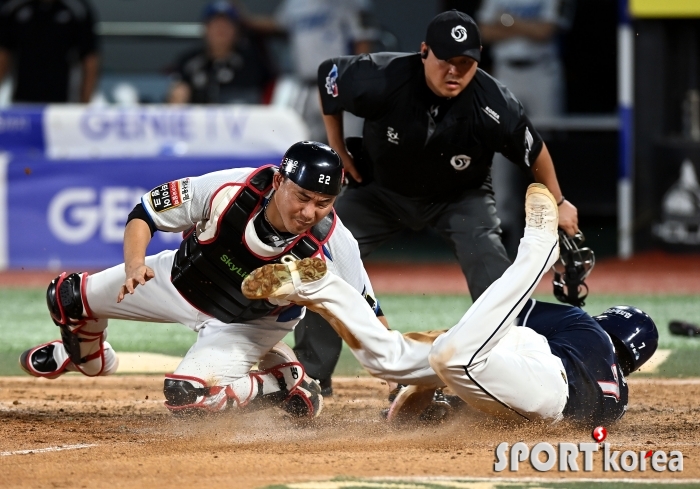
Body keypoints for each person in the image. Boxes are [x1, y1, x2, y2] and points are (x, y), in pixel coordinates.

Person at [300, 9, 579, 395]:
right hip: (380, 192)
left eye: (465, 63)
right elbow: (328, 77)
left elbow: (535, 152)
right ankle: (312, 376)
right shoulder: (382, 76)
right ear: (424, 51)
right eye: (446, 60)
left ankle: (511, 371)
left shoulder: (493, 101)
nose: (455, 71)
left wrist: (561, 202)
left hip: (458, 198)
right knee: (321, 256)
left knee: (498, 276)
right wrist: (336, 147)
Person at [19, 141, 384, 418]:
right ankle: (89, 357)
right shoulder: (230, 189)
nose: (309, 212)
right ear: (278, 180)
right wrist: (134, 265)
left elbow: (370, 314)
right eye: (302, 197)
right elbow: (145, 212)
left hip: (247, 323)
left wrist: (402, 380)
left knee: (189, 398)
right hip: (178, 281)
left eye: (323, 202)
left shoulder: (336, 243)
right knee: (66, 295)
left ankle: (282, 384)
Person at [243, 184, 659, 426]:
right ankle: (324, 288)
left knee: (420, 356)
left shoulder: (584, 328)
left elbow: (509, 311)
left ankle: (540, 249)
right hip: (540, 398)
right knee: (424, 359)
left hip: (534, 369)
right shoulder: (616, 401)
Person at [477, 0, 573, 255]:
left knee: (547, 149)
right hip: (506, 72)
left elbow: (546, 31)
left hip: (542, 72)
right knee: (500, 149)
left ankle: (556, 226)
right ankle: (504, 228)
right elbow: (484, 31)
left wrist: (508, 21)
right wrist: (527, 26)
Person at [241, 0, 377, 141]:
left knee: (347, 145)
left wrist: (356, 80)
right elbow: (275, 25)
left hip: (339, 83)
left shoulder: (351, 3)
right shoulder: (295, 4)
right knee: (307, 146)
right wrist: (239, 14)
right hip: (307, 86)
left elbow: (363, 40)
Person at [168, 1, 274, 105]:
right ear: (205, 28)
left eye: (226, 25)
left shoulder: (251, 62)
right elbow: (174, 96)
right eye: (215, 24)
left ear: (236, 31)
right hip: (196, 120)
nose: (221, 29)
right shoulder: (189, 61)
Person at [0, 0, 99, 103]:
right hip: (22, 100)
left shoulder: (78, 9)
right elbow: (3, 56)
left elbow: (90, 60)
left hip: (64, 102)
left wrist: (84, 105)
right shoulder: (13, 8)